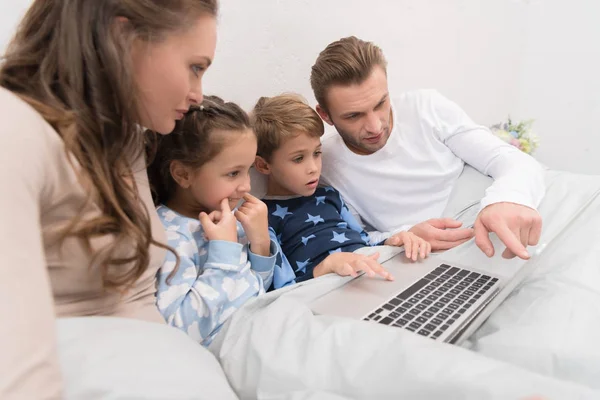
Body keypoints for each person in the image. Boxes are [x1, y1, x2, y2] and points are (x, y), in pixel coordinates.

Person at [0, 0, 218, 397]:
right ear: (122, 37)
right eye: (195, 67)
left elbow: (133, 297)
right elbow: (17, 375)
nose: (198, 94)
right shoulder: (14, 131)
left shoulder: (124, 139)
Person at [310, 36, 545, 260]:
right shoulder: (325, 163)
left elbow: (510, 159)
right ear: (326, 116)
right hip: (428, 259)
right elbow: (357, 238)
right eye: (353, 116)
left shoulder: (425, 107)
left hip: (492, 224)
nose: (375, 126)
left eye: (381, 103)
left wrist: (506, 199)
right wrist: (403, 235)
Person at [146, 96, 295, 346]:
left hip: (269, 330)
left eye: (247, 170)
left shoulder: (228, 217)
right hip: (236, 351)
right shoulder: (169, 237)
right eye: (233, 173)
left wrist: (260, 244)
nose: (247, 185)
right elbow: (180, 330)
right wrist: (223, 254)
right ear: (183, 174)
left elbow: (252, 291)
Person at [252, 94, 431, 282]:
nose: (314, 168)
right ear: (264, 166)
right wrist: (326, 266)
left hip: (370, 270)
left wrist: (392, 240)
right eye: (298, 159)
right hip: (329, 287)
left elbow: (363, 239)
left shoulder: (329, 195)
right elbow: (280, 286)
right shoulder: (261, 216)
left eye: (317, 153)